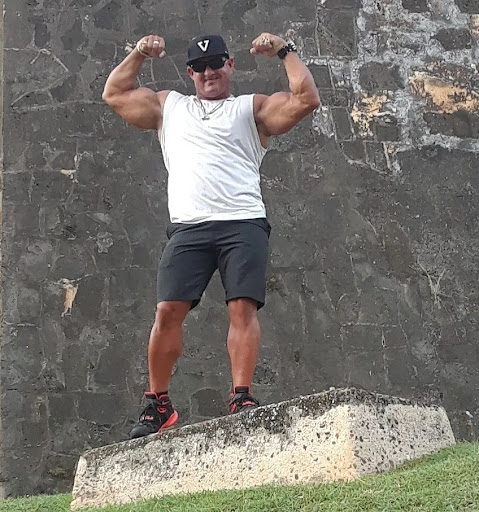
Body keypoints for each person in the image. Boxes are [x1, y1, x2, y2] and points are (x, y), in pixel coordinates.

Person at [102, 32, 320, 439]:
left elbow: (305, 98)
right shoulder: (169, 106)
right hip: (189, 226)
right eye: (200, 67)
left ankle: (241, 396)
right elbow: (114, 93)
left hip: (242, 221)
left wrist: (284, 51)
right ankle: (159, 404)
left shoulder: (250, 108)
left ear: (230, 65)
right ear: (190, 73)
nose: (209, 72)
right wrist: (139, 53)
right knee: (167, 311)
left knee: (242, 308)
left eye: (216, 63)